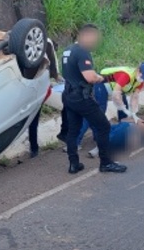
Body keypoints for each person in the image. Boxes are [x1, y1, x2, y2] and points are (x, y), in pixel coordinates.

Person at [61, 24, 127, 174]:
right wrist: (100, 78)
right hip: (82, 98)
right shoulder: (83, 51)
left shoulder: (68, 50)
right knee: (104, 126)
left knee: (73, 131)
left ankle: (74, 164)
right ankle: (106, 163)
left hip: (68, 96)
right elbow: (89, 77)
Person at [28, 38, 59, 158]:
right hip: (38, 84)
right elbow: (52, 60)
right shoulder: (47, 41)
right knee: (34, 117)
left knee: (32, 118)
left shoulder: (18, 40)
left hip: (23, 84)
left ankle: (34, 147)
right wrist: (55, 75)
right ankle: (34, 148)